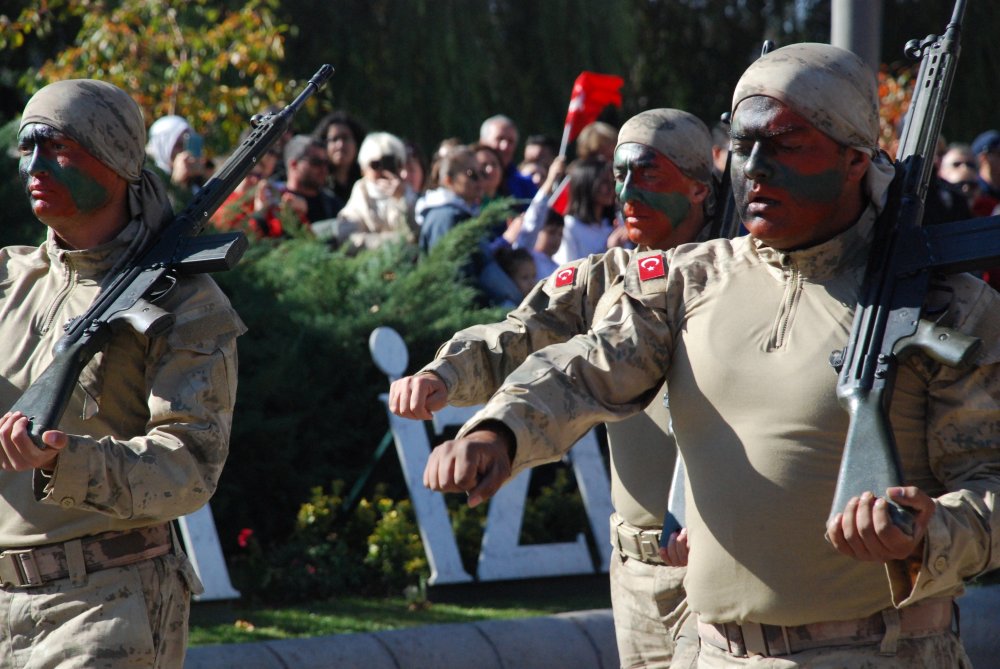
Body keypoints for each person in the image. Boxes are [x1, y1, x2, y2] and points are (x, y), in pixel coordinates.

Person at [422, 44, 999, 667]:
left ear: (855, 158)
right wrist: (500, 431)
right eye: (744, 147)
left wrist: (930, 530)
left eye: (785, 145)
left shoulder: (947, 306)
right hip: (715, 652)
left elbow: (990, 483)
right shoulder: (684, 281)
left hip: (885, 652)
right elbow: (589, 364)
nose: (755, 168)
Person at [391, 108, 717, 669]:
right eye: (620, 175)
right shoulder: (605, 276)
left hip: (716, 565)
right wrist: (442, 375)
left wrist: (500, 431)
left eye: (649, 175)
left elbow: (593, 364)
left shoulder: (735, 276)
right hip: (637, 572)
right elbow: (522, 335)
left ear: (698, 187)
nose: (628, 192)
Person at [7, 79, 244, 667]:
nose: (35, 165)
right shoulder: (8, 282)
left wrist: (65, 461)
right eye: (26, 147)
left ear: (115, 158)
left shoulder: (187, 303)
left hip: (105, 604)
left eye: (59, 147)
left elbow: (188, 467)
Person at [334, 131, 418, 253]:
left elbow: (419, 235)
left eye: (392, 163)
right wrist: (394, 241)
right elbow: (349, 240)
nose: (384, 171)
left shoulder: (410, 196)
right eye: (376, 165)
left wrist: (403, 200)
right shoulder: (360, 198)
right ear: (363, 169)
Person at [553, 156, 620, 264]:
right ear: (586, 185)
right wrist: (609, 250)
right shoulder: (570, 226)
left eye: (612, 182)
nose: (611, 188)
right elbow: (570, 270)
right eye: (604, 182)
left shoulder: (614, 224)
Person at [416, 146, 483, 253]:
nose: (480, 180)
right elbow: (445, 266)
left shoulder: (467, 212)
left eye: (482, 173)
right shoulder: (444, 217)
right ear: (449, 180)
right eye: (472, 174)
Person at [281, 134, 345, 225]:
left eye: (326, 163)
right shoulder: (274, 199)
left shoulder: (333, 204)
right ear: (293, 165)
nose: (324, 169)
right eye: (316, 162)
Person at [145, 114, 208, 206]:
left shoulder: (194, 181)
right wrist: (177, 183)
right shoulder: (149, 178)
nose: (184, 151)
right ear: (162, 147)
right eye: (178, 145)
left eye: (187, 144)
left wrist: (202, 178)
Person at [313, 110, 366, 203]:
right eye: (334, 139)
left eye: (345, 138)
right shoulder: (315, 184)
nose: (340, 145)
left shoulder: (365, 183)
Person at [479, 115, 538, 199]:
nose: (505, 146)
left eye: (511, 141)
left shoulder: (524, 185)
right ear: (482, 141)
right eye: (499, 139)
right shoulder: (468, 178)